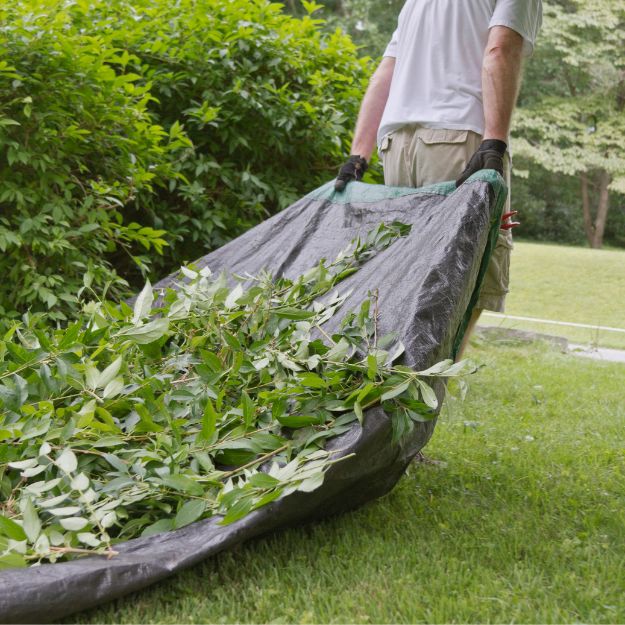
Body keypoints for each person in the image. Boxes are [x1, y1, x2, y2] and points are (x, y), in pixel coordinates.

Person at [334, 0, 542, 358]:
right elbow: (500, 49)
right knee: (462, 289)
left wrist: (358, 155)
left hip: (396, 147)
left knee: (406, 283)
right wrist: (494, 144)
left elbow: (385, 74)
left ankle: (383, 395)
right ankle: (413, 405)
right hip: (460, 141)